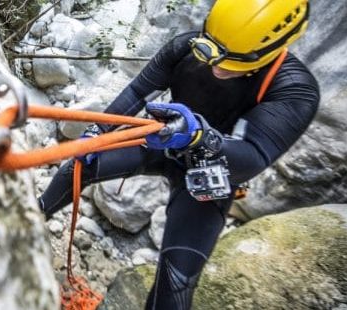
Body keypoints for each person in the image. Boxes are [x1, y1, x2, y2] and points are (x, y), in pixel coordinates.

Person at [38, 0, 319, 309]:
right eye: (213, 50)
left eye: (231, 61)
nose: (216, 66)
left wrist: (201, 137)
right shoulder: (186, 47)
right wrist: (97, 133)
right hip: (163, 140)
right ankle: (35, 217)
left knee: (175, 283)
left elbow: (252, 157)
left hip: (210, 173)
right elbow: (137, 93)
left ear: (265, 53)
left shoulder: (293, 89)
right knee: (79, 165)